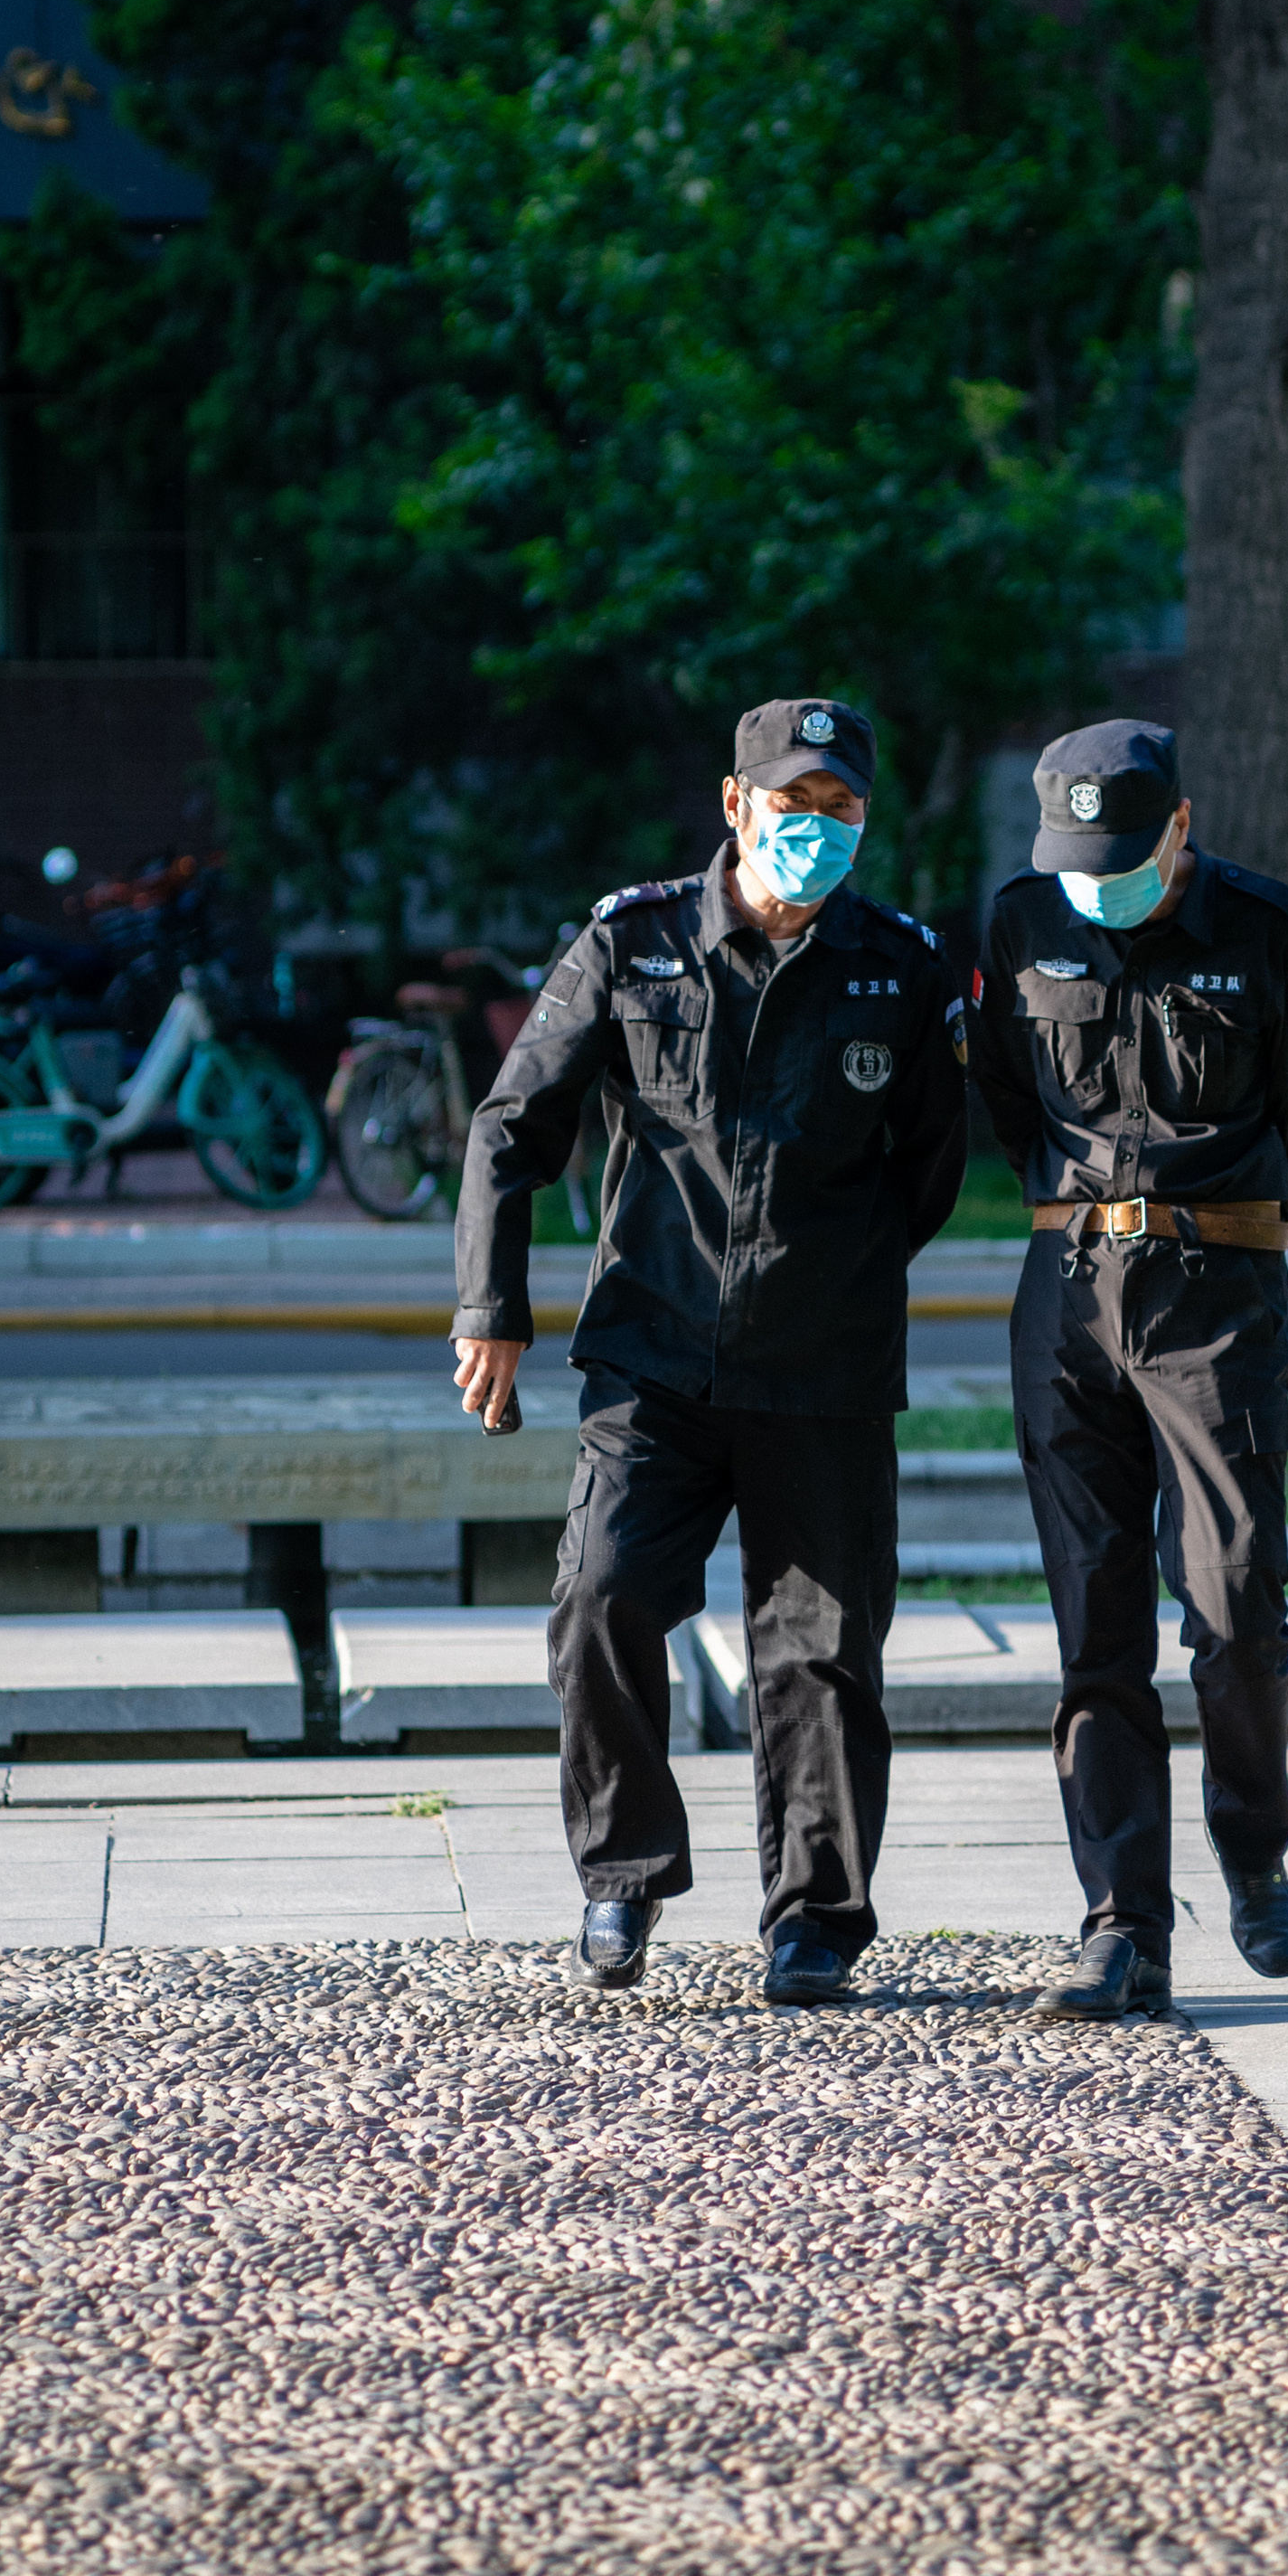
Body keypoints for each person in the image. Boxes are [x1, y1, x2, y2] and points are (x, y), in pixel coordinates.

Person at [451, 700, 968, 2005]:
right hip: (657, 1359)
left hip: (826, 1376)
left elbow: (931, 1171)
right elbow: (514, 1126)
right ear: (735, 807)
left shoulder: (899, 969)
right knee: (602, 1595)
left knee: (825, 1651)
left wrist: (830, 1283)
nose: (819, 829)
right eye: (794, 806)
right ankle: (623, 1877)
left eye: (843, 809)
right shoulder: (633, 943)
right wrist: (490, 1308)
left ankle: (815, 1920)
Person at [968, 718, 1288, 2023]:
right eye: (1075, 858)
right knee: (1094, 1622)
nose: (1095, 880)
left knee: (1236, 1603)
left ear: (1179, 826)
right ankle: (1124, 1924)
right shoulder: (1018, 925)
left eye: (1119, 855)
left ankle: (1254, 1841)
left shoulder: (1264, 930)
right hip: (1066, 1300)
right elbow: (1010, 1099)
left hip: (1215, 1297)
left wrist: (1215, 1229)